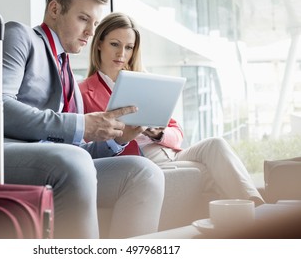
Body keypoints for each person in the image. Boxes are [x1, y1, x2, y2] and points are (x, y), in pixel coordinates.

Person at [0, 0, 164, 239]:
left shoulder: (67, 72)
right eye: (83, 19)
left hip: (47, 162)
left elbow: (76, 150)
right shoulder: (17, 35)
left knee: (144, 172)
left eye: (94, 24)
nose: (90, 32)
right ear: (55, 10)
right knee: (74, 161)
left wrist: (118, 140)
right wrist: (81, 124)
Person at [79, 12, 265, 207]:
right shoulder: (83, 91)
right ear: (99, 43)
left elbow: (177, 132)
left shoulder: (145, 81)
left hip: (169, 152)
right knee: (208, 173)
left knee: (215, 144)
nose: (122, 54)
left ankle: (256, 205)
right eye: (115, 44)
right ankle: (250, 212)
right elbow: (87, 146)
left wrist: (159, 133)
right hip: (141, 161)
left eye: (129, 47)